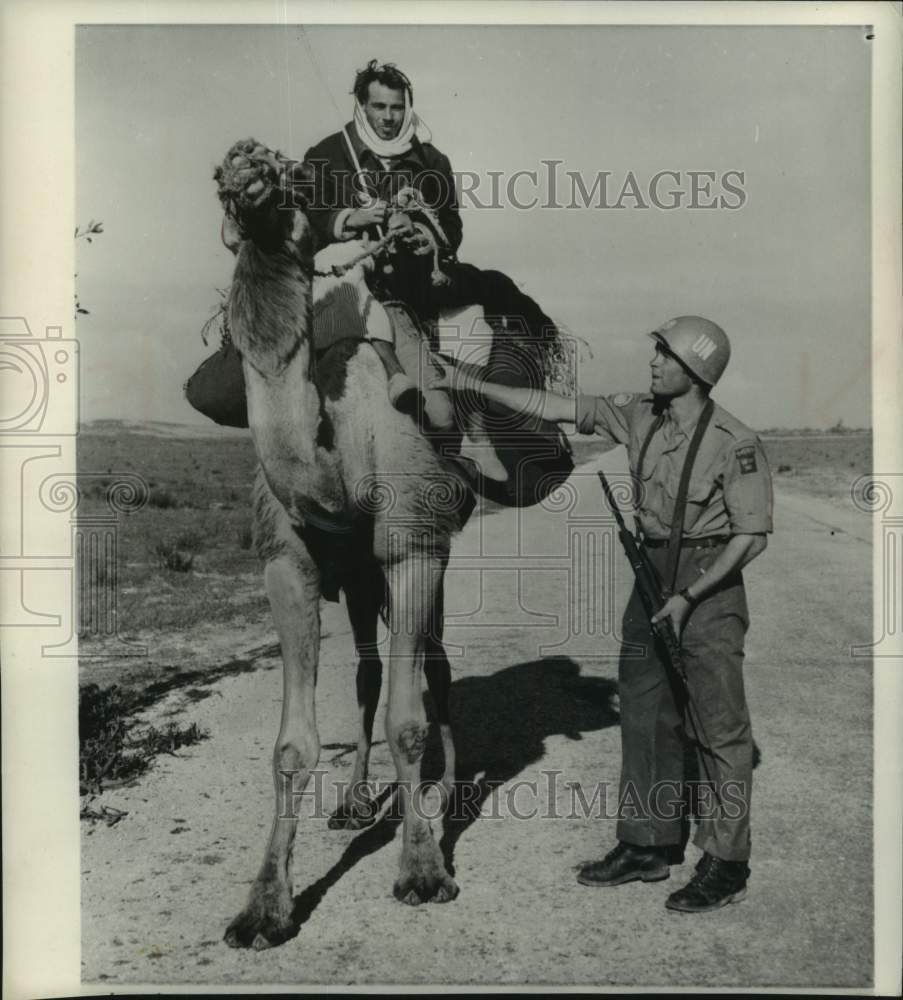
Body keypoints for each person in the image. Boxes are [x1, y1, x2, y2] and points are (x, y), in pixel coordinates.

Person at [431, 315, 773, 913]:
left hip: (707, 585)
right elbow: (555, 405)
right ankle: (647, 843)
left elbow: (752, 536)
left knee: (718, 729)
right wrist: (470, 382)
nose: (653, 362)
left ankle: (727, 861)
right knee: (644, 712)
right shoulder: (640, 413)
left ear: (695, 371)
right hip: (650, 580)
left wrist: (690, 596)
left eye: (665, 355)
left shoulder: (734, 442)